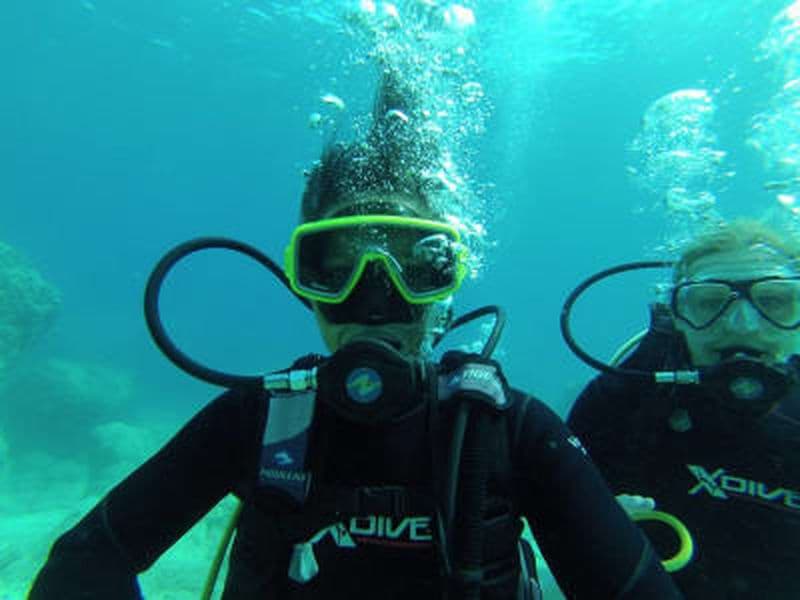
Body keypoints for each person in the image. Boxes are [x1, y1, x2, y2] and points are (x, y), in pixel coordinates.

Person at [29, 76, 680, 600]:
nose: (374, 302)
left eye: (415, 269)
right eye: (337, 269)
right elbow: (84, 563)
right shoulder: (261, 419)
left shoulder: (509, 429)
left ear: (446, 289)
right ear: (305, 285)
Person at [567, 219, 800, 599]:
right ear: (676, 313)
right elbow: (557, 527)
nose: (743, 325)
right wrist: (596, 528)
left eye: (773, 300)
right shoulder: (625, 403)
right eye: (709, 303)